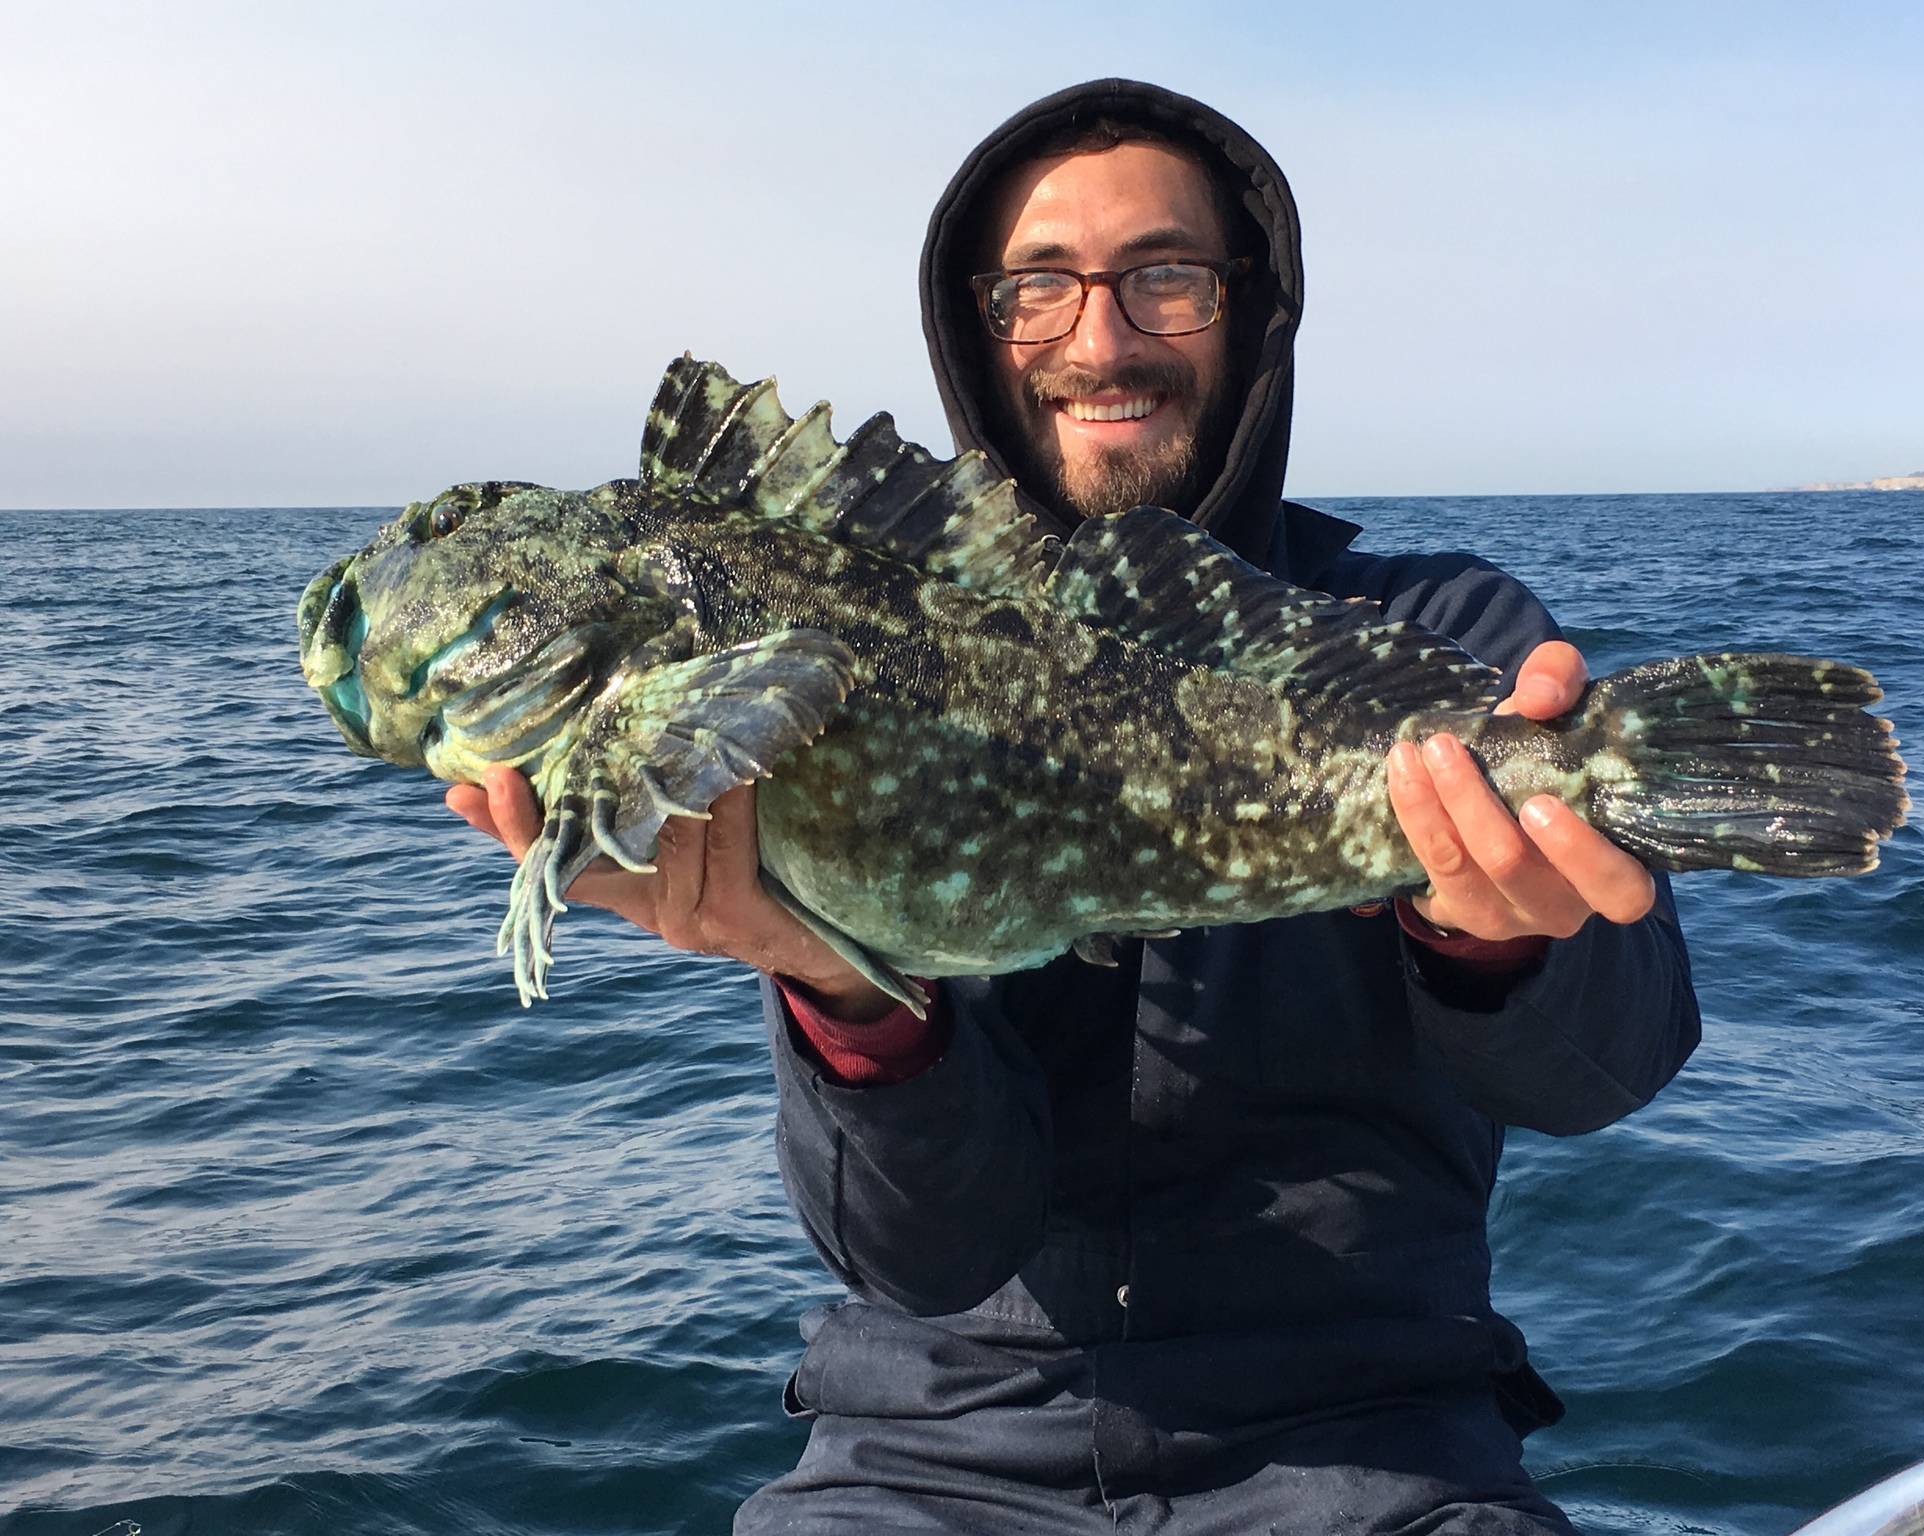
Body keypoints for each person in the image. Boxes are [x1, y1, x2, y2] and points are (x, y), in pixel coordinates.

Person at [450, 79, 1699, 1535]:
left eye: (1162, 278)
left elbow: (1606, 1073)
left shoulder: (1430, 637)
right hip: (922, 1459)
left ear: (1250, 311)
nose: (1100, 339)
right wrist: (836, 984)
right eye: (1038, 288)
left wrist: (1503, 947)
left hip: (1378, 1451)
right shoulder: (844, 661)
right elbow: (926, 1253)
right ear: (979, 333)